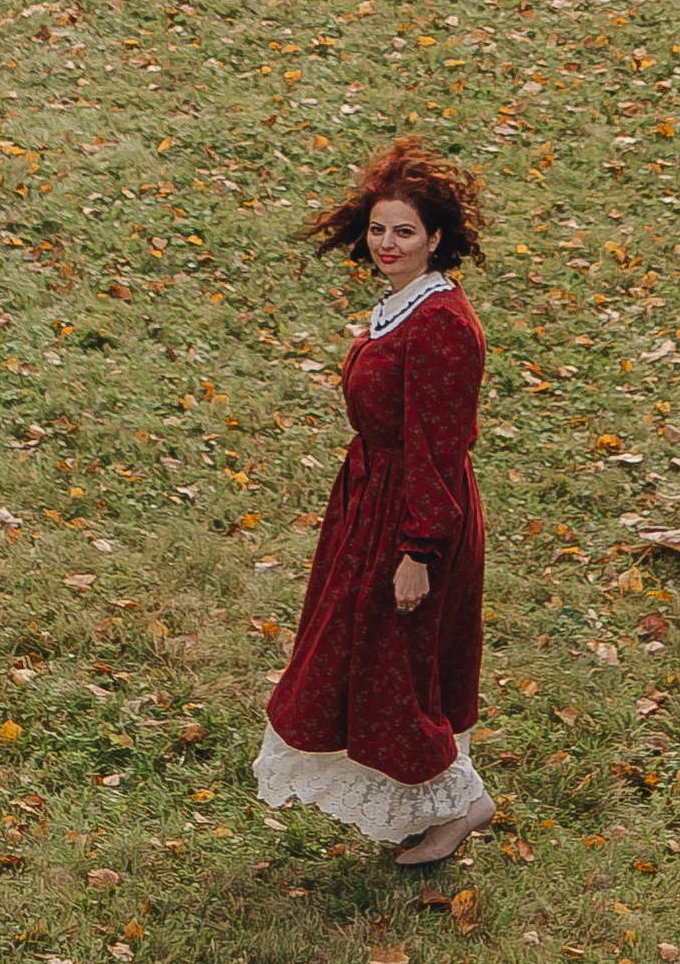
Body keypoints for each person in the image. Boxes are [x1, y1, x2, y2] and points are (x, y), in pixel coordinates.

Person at [253, 137, 495, 870]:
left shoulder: (442, 324)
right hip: (373, 501)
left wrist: (418, 550)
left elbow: (439, 446)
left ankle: (460, 804)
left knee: (399, 665)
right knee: (366, 657)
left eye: (406, 232)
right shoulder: (401, 304)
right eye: (380, 229)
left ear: (437, 239)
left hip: (416, 511)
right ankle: (450, 798)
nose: (388, 244)